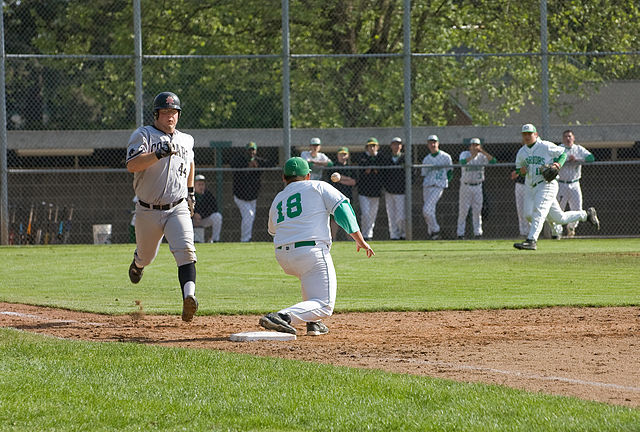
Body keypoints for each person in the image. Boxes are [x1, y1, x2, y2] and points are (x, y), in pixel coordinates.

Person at [259, 157, 374, 336]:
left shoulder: (278, 198)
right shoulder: (318, 185)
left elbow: (273, 230)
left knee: (311, 280)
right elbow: (342, 209)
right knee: (325, 304)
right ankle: (282, 317)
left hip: (282, 255)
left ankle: (314, 323)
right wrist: (359, 239)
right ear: (308, 175)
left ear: (284, 178)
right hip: (311, 252)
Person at [125, 91, 198, 322]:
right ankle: (138, 264)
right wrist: (157, 153)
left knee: (186, 251)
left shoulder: (186, 139)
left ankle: (189, 297)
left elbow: (191, 164)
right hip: (147, 210)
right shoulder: (143, 135)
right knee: (147, 256)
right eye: (165, 112)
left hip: (177, 206)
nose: (170, 116)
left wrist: (190, 193)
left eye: (174, 112)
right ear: (156, 114)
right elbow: (132, 165)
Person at [513, 124, 600, 250]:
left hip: (546, 185)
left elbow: (563, 153)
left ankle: (531, 240)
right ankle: (586, 215)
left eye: (529, 133)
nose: (527, 136)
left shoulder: (545, 146)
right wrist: (521, 171)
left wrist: (557, 165)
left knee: (539, 212)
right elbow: (518, 170)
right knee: (554, 217)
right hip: (530, 187)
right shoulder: (522, 152)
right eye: (524, 134)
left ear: (536, 135)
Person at [552, 129, 595, 238]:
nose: (568, 138)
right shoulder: (560, 148)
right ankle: (557, 232)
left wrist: (578, 159)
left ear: (573, 138)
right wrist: (566, 160)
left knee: (577, 208)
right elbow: (553, 159)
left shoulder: (578, 149)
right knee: (559, 209)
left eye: (570, 136)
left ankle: (571, 228)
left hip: (575, 183)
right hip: (561, 183)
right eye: (565, 136)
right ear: (562, 139)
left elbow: (591, 158)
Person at [230, 141, 273, 242]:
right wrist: (247, 166)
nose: (251, 152)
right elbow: (232, 164)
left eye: (253, 150)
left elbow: (271, 163)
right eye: (249, 150)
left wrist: (257, 166)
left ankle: (246, 237)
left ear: (256, 151)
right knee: (249, 215)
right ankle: (245, 239)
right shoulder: (240, 160)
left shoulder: (258, 161)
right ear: (246, 151)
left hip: (253, 196)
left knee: (251, 217)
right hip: (240, 196)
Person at [456, 138, 496, 239]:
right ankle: (460, 234)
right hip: (466, 186)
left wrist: (482, 151)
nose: (474, 147)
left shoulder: (482, 156)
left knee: (477, 211)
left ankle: (478, 233)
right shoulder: (465, 154)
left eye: (477, 145)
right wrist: (472, 156)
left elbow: (494, 161)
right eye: (473, 145)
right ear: (470, 146)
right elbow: (462, 162)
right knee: (463, 211)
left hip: (478, 186)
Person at [421, 134, 452, 240]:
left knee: (426, 210)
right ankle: (432, 234)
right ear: (428, 145)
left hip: (438, 186)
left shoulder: (445, 157)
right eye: (430, 143)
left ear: (438, 143)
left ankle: (436, 229)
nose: (432, 144)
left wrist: (445, 182)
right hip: (427, 186)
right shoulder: (426, 159)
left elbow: (450, 172)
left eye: (434, 142)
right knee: (430, 212)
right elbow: (424, 174)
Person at [355, 137, 384, 240]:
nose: (372, 148)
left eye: (374, 146)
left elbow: (381, 172)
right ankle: (364, 234)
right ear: (366, 147)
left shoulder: (380, 157)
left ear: (377, 147)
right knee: (366, 214)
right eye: (370, 146)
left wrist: (373, 169)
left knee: (372, 215)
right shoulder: (362, 156)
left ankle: (369, 235)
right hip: (363, 190)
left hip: (376, 191)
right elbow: (363, 171)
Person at [328, 147, 357, 240]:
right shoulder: (334, 166)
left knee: (348, 218)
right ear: (337, 155)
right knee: (334, 219)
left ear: (348, 155)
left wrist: (340, 179)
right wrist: (344, 179)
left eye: (345, 154)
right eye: (341, 154)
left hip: (347, 196)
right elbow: (333, 180)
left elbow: (353, 182)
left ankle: (349, 239)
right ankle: (333, 239)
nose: (343, 156)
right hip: (335, 197)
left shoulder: (350, 168)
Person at [381, 137, 406, 240]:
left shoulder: (405, 158)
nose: (396, 146)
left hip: (400, 191)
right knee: (391, 215)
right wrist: (385, 187)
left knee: (400, 216)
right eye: (394, 144)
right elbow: (383, 175)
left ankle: (403, 234)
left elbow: (412, 175)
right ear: (391, 146)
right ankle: (394, 236)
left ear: (401, 146)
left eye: (398, 144)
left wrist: (406, 186)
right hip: (389, 191)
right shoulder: (387, 159)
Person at [192, 174, 223, 243]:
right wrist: (194, 215)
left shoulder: (208, 194)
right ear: (194, 185)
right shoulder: (189, 195)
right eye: (199, 184)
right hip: (192, 220)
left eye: (202, 184)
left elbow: (214, 208)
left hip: (203, 219)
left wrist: (201, 215)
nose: (201, 187)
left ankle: (215, 239)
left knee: (217, 216)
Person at [510, 169, 530, 237]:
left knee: (528, 209)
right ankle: (522, 232)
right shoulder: (519, 158)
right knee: (520, 209)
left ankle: (530, 232)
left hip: (529, 185)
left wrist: (518, 171)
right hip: (519, 183)